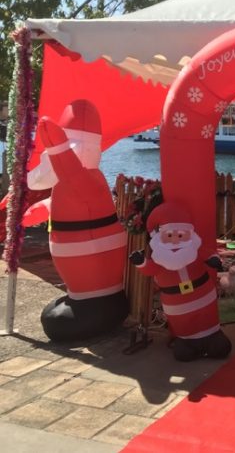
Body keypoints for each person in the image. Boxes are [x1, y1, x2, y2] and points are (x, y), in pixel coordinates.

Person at [28, 100, 128, 341]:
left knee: (55, 322)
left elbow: (68, 169)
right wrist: (37, 210)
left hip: (98, 288)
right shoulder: (79, 182)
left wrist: (57, 146)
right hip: (84, 284)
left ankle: (93, 302)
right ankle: (81, 297)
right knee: (54, 317)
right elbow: (63, 200)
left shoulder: (83, 179)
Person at [130, 202, 231, 362]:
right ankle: (188, 342)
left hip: (204, 297)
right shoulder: (159, 259)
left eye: (180, 235)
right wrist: (140, 262)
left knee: (218, 341)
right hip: (177, 304)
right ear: (158, 237)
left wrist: (214, 260)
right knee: (184, 347)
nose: (175, 241)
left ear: (189, 233)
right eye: (169, 236)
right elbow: (150, 269)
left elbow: (208, 254)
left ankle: (213, 336)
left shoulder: (194, 251)